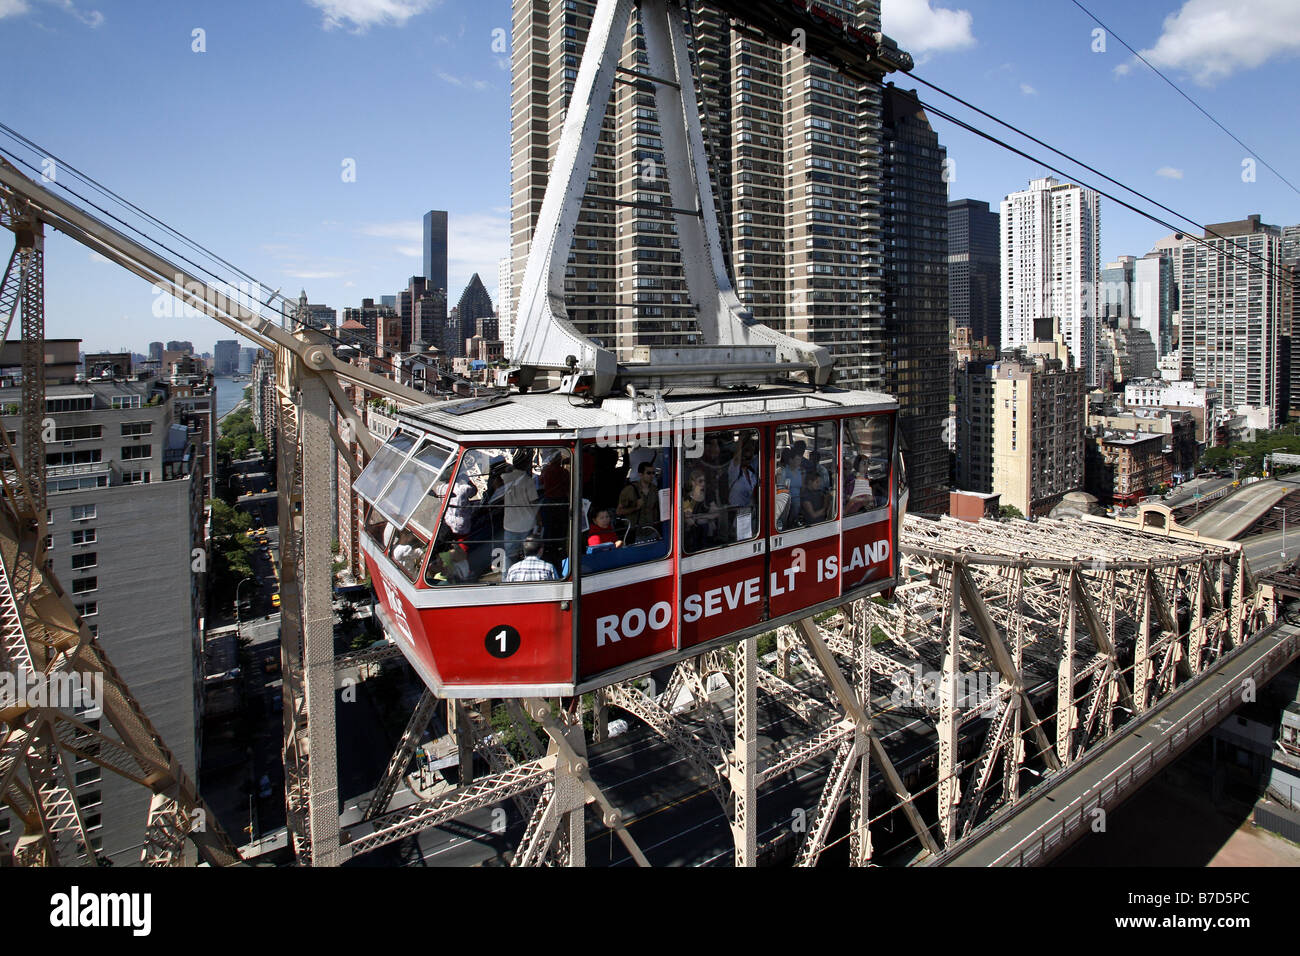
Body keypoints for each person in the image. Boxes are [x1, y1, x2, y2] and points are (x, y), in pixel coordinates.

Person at [501, 448, 539, 569]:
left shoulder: (505, 478)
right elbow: (534, 503)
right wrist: (539, 521)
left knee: (509, 556)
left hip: (509, 525)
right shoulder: (528, 481)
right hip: (526, 525)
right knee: (527, 555)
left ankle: (507, 578)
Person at [682, 469, 720, 552]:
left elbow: (716, 513)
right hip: (694, 535)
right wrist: (707, 516)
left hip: (708, 533)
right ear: (693, 482)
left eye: (704, 481)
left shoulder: (708, 495)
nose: (703, 483)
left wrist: (700, 517)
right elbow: (688, 519)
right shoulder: (687, 498)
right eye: (700, 481)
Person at [617, 460, 660, 533]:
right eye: (648, 473)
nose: (652, 476)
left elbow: (655, 510)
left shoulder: (655, 489)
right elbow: (619, 511)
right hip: (635, 531)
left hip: (651, 530)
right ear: (640, 474)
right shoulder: (629, 490)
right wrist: (635, 507)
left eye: (653, 473)